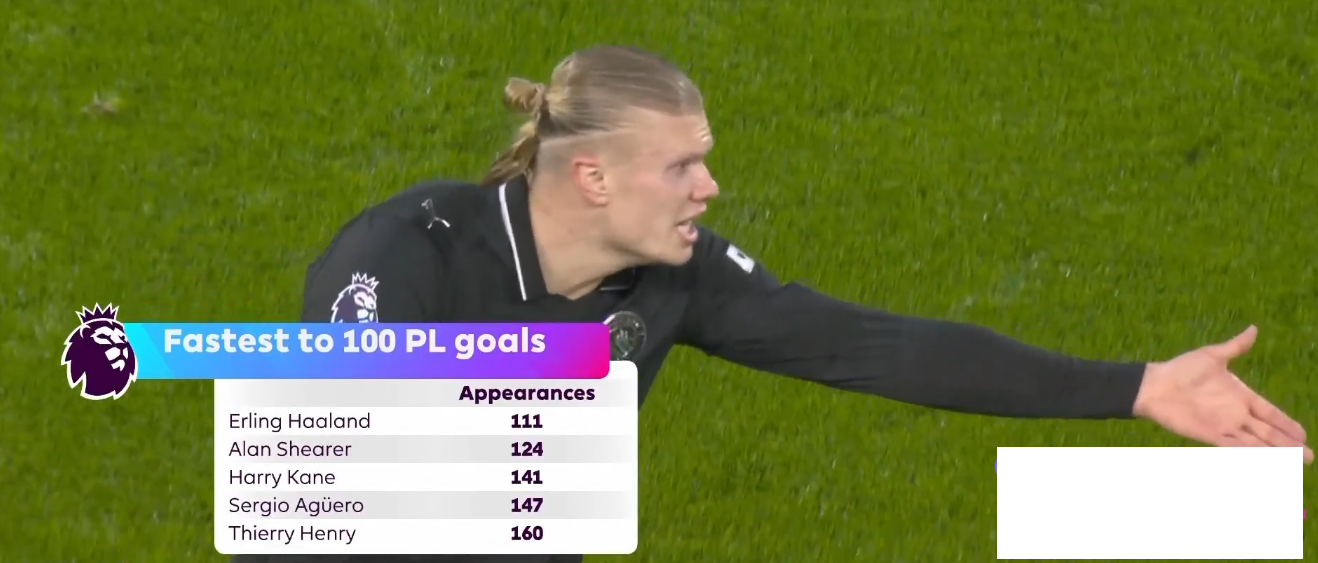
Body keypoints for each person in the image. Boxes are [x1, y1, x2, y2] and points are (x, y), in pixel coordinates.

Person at [239, 45, 1310, 563]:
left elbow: (872, 345)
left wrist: (1138, 387)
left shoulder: (677, 274)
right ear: (594, 178)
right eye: (682, 166)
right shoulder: (404, 258)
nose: (708, 187)